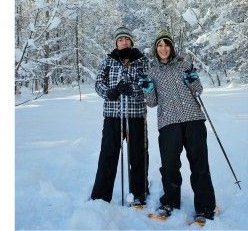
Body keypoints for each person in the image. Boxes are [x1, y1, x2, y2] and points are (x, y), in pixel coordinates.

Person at [139, 30, 216, 222]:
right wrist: (147, 88)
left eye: (166, 45)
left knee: (199, 164)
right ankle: (169, 203)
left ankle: (205, 208)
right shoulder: (152, 70)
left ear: (171, 47)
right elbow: (152, 102)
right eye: (160, 45)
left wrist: (193, 78)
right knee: (170, 165)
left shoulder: (184, 64)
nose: (163, 49)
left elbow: (198, 90)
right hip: (168, 122)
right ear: (156, 49)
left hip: (193, 119)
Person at [91, 26, 150, 206]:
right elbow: (98, 82)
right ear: (116, 43)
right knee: (108, 153)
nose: (123, 42)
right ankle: (101, 195)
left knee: (138, 154)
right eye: (120, 40)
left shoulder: (141, 61)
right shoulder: (108, 61)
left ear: (131, 42)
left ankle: (139, 193)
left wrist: (133, 90)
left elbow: (148, 86)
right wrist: (109, 92)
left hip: (135, 115)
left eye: (126, 39)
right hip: (113, 115)